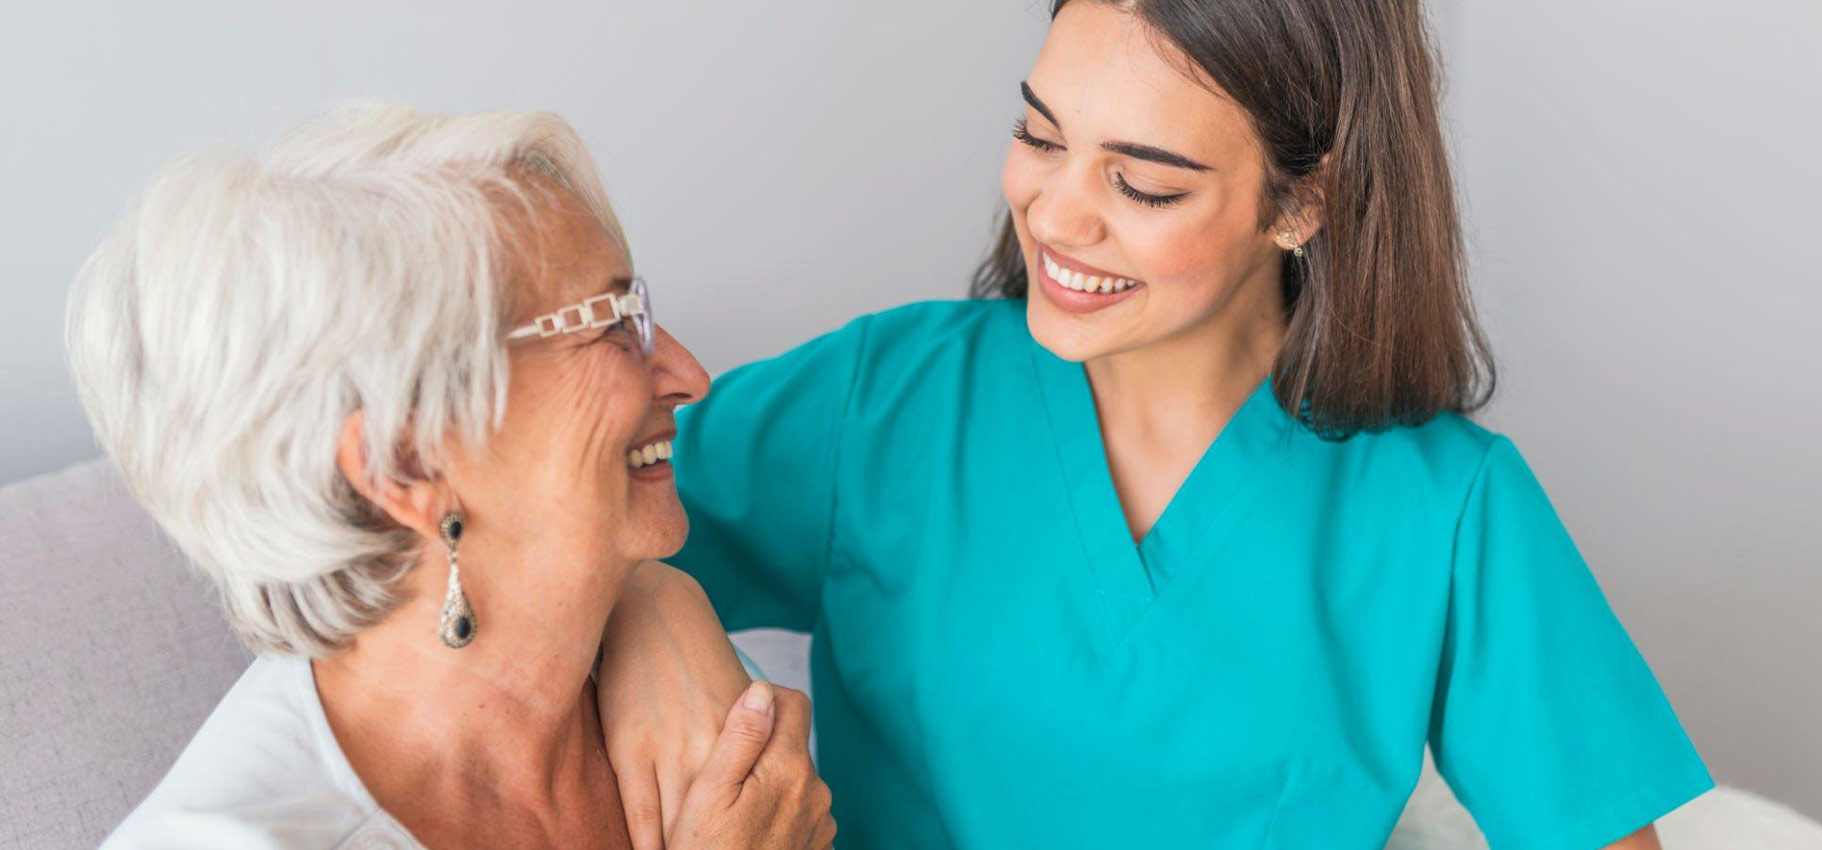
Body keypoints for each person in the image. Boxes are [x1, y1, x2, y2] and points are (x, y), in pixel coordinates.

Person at [597, 2, 1714, 848]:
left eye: (1143, 184)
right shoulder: (882, 401)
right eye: (1041, 135)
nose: (1055, 216)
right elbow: (562, 524)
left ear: (1303, 201)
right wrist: (655, 606)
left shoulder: (1445, 510)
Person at [69, 102, 832, 850]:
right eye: (611, 326)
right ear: (403, 464)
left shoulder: (682, 697)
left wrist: (661, 594)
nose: (688, 376)